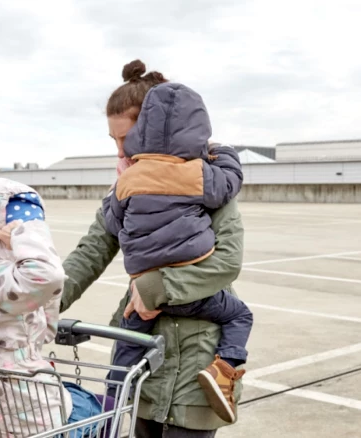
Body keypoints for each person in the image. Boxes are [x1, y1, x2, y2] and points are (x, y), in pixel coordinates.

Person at [61, 60, 245, 438]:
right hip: (144, 361)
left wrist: (152, 288)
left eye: (124, 139)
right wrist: (41, 301)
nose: (119, 151)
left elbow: (227, 261)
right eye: (112, 140)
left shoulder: (206, 183)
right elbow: (92, 250)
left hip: (197, 367)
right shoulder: (128, 187)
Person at [101, 80, 253, 424]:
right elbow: (230, 180)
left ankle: (113, 394)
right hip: (191, 293)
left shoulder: (128, 180)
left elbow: (111, 224)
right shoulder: (200, 175)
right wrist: (222, 153)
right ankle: (226, 369)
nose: (120, 150)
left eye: (125, 139)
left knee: (130, 331)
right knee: (240, 315)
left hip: (147, 293)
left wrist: (118, 193)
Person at [0, 178, 75, 437]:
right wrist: (27, 237)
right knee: (91, 408)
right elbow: (49, 278)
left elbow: (45, 322)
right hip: (26, 402)